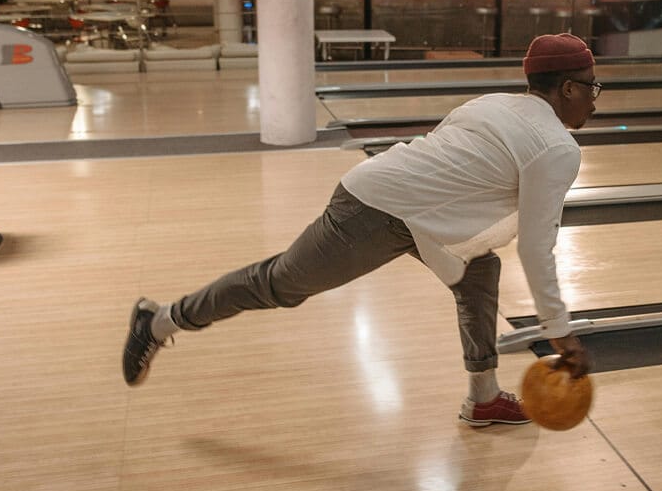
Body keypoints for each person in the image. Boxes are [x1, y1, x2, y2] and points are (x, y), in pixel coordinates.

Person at [123, 33, 598, 426]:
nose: (593, 102)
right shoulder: (556, 148)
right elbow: (538, 249)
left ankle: (484, 396)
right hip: (375, 210)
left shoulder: (492, 104)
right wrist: (560, 332)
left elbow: (448, 164)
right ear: (569, 89)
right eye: (592, 89)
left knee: (479, 272)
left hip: (414, 214)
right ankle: (160, 319)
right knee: (281, 284)